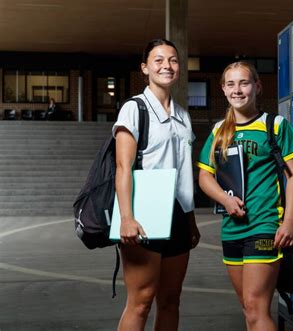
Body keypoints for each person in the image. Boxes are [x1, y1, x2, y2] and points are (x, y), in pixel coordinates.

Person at [197, 61, 293, 330]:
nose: (238, 90)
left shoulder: (275, 125)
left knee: (256, 307)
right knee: (248, 308)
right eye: (231, 84)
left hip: (264, 225)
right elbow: (204, 176)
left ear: (257, 86)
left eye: (243, 83)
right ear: (223, 89)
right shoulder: (219, 130)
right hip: (232, 228)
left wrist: (289, 221)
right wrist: (225, 199)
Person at [112, 38, 200, 331]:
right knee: (141, 300)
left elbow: (185, 173)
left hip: (178, 215)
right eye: (159, 60)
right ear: (145, 68)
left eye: (173, 60)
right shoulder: (134, 109)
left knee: (171, 300)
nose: (167, 66)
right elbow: (123, 166)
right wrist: (126, 218)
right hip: (143, 213)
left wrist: (190, 220)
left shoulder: (183, 116)